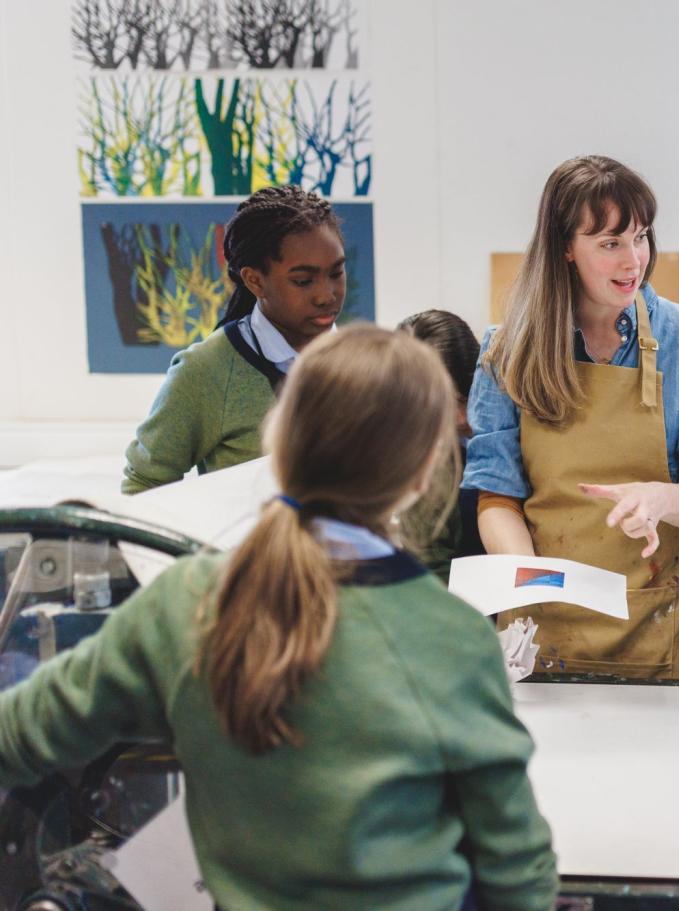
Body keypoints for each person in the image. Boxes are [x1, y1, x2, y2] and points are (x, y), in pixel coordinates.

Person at [1, 326, 558, 911]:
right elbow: (516, 869)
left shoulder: (185, 603)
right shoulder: (453, 636)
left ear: (281, 442)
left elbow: (23, 732)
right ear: (423, 473)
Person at [463, 155, 679, 680]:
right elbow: (496, 497)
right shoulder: (508, 351)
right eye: (610, 243)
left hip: (662, 614)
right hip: (544, 619)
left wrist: (665, 500)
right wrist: (532, 579)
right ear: (565, 248)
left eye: (641, 237)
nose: (633, 260)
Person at [123, 185, 347, 494]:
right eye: (303, 281)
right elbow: (143, 486)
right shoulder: (204, 372)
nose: (326, 295)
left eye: (336, 273)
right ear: (254, 280)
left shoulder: (365, 362)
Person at [398, 308, 486, 579]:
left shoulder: (516, 420)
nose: (461, 418)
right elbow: (431, 568)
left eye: (465, 397)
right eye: (441, 406)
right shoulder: (415, 459)